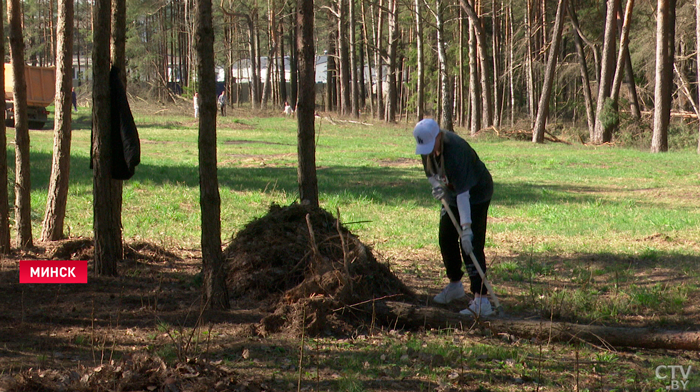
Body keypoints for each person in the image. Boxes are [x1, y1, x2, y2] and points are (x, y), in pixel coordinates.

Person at [413, 118, 494, 316]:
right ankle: (455, 285)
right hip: (452, 194)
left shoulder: (456, 151)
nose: (429, 152)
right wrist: (437, 187)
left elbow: (464, 195)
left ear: (439, 135)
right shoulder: (427, 147)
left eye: (432, 146)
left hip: (475, 195)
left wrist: (466, 229)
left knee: (471, 246)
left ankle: (482, 300)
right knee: (446, 237)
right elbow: (431, 174)